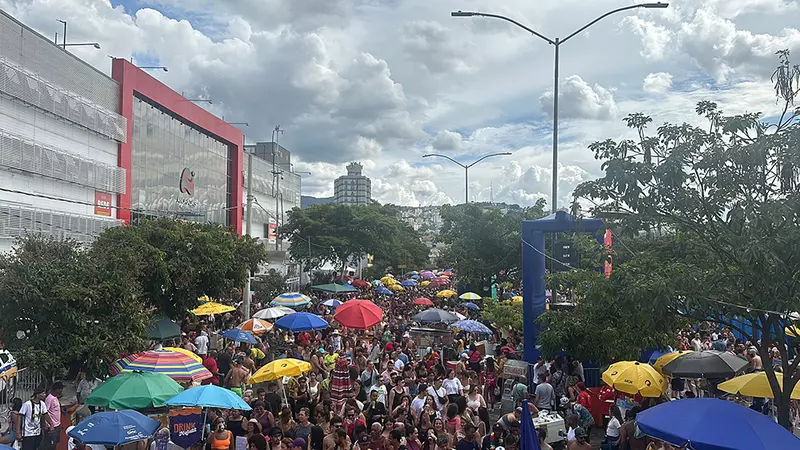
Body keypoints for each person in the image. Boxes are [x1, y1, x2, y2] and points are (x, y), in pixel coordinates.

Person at [42, 381, 64, 450]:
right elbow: (45, 412)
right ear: (56, 389)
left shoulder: (55, 398)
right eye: (60, 389)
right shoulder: (49, 398)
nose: (61, 390)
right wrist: (49, 425)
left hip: (57, 425)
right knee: (50, 445)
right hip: (52, 426)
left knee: (55, 443)